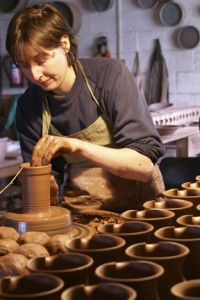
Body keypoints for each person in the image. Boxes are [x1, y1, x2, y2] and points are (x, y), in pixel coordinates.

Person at [6, 3, 166, 213]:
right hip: (83, 212)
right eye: (23, 64)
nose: (35, 75)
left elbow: (143, 167)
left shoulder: (110, 76)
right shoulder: (29, 105)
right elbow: (41, 184)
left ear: (64, 44)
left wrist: (76, 146)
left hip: (141, 210)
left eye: (41, 59)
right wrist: (46, 188)